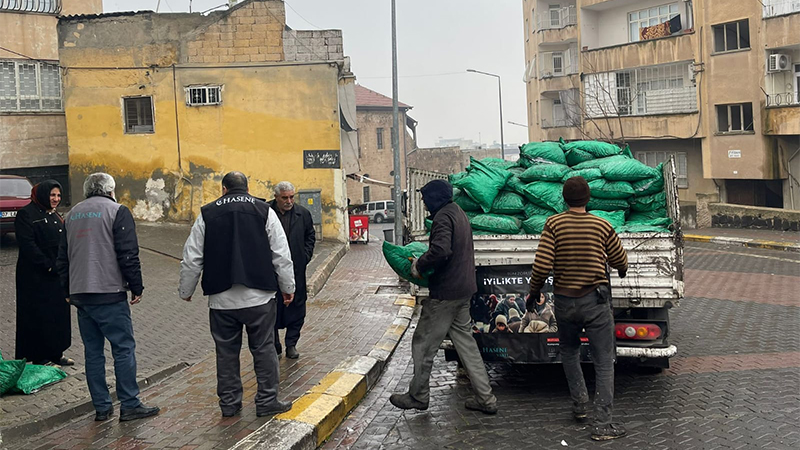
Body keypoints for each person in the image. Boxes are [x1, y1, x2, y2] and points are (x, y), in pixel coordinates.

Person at [179, 172, 296, 418]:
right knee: (263, 349)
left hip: (221, 299)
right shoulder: (264, 211)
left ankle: (230, 405)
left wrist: (186, 290)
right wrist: (288, 288)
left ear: (223, 189)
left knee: (226, 353)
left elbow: (192, 257)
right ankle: (266, 400)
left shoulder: (207, 213)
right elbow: (281, 254)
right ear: (247, 188)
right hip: (259, 297)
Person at [527, 176, 628, 441]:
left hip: (564, 301)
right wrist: (622, 270)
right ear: (588, 198)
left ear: (564, 198)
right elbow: (619, 258)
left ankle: (580, 405)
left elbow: (541, 265)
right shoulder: (602, 224)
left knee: (569, 352)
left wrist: (533, 292)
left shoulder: (554, 224)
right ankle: (603, 424)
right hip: (595, 302)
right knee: (604, 360)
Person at [389, 179, 497, 415]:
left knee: (423, 344)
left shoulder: (442, 218)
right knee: (467, 346)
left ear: (435, 198)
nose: (424, 203)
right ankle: (486, 399)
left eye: (426, 198)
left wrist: (419, 264)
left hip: (446, 294)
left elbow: (441, 250)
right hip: (464, 290)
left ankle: (418, 396)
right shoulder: (458, 212)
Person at [56, 173, 158, 422]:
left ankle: (102, 407)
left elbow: (62, 258)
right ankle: (130, 404)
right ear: (111, 190)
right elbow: (128, 253)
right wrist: (137, 286)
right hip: (109, 292)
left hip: (81, 294)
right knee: (123, 348)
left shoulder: (71, 215)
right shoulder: (117, 211)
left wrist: (67, 291)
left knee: (93, 352)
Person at [14, 180, 73, 366]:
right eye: (52, 195)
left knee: (58, 314)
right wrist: (48, 265)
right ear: (42, 195)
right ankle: (39, 356)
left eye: (58, 195)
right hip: (35, 277)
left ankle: (57, 352)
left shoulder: (55, 215)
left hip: (56, 275)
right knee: (39, 316)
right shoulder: (26, 214)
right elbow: (28, 245)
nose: (56, 199)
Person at [269, 181, 315, 360]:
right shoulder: (266, 212)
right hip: (271, 271)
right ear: (276, 198)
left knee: (297, 308)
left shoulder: (302, 214)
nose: (289, 201)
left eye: (291, 197)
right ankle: (274, 345)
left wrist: (304, 257)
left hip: (296, 269)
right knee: (271, 308)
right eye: (285, 198)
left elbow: (310, 236)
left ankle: (291, 344)